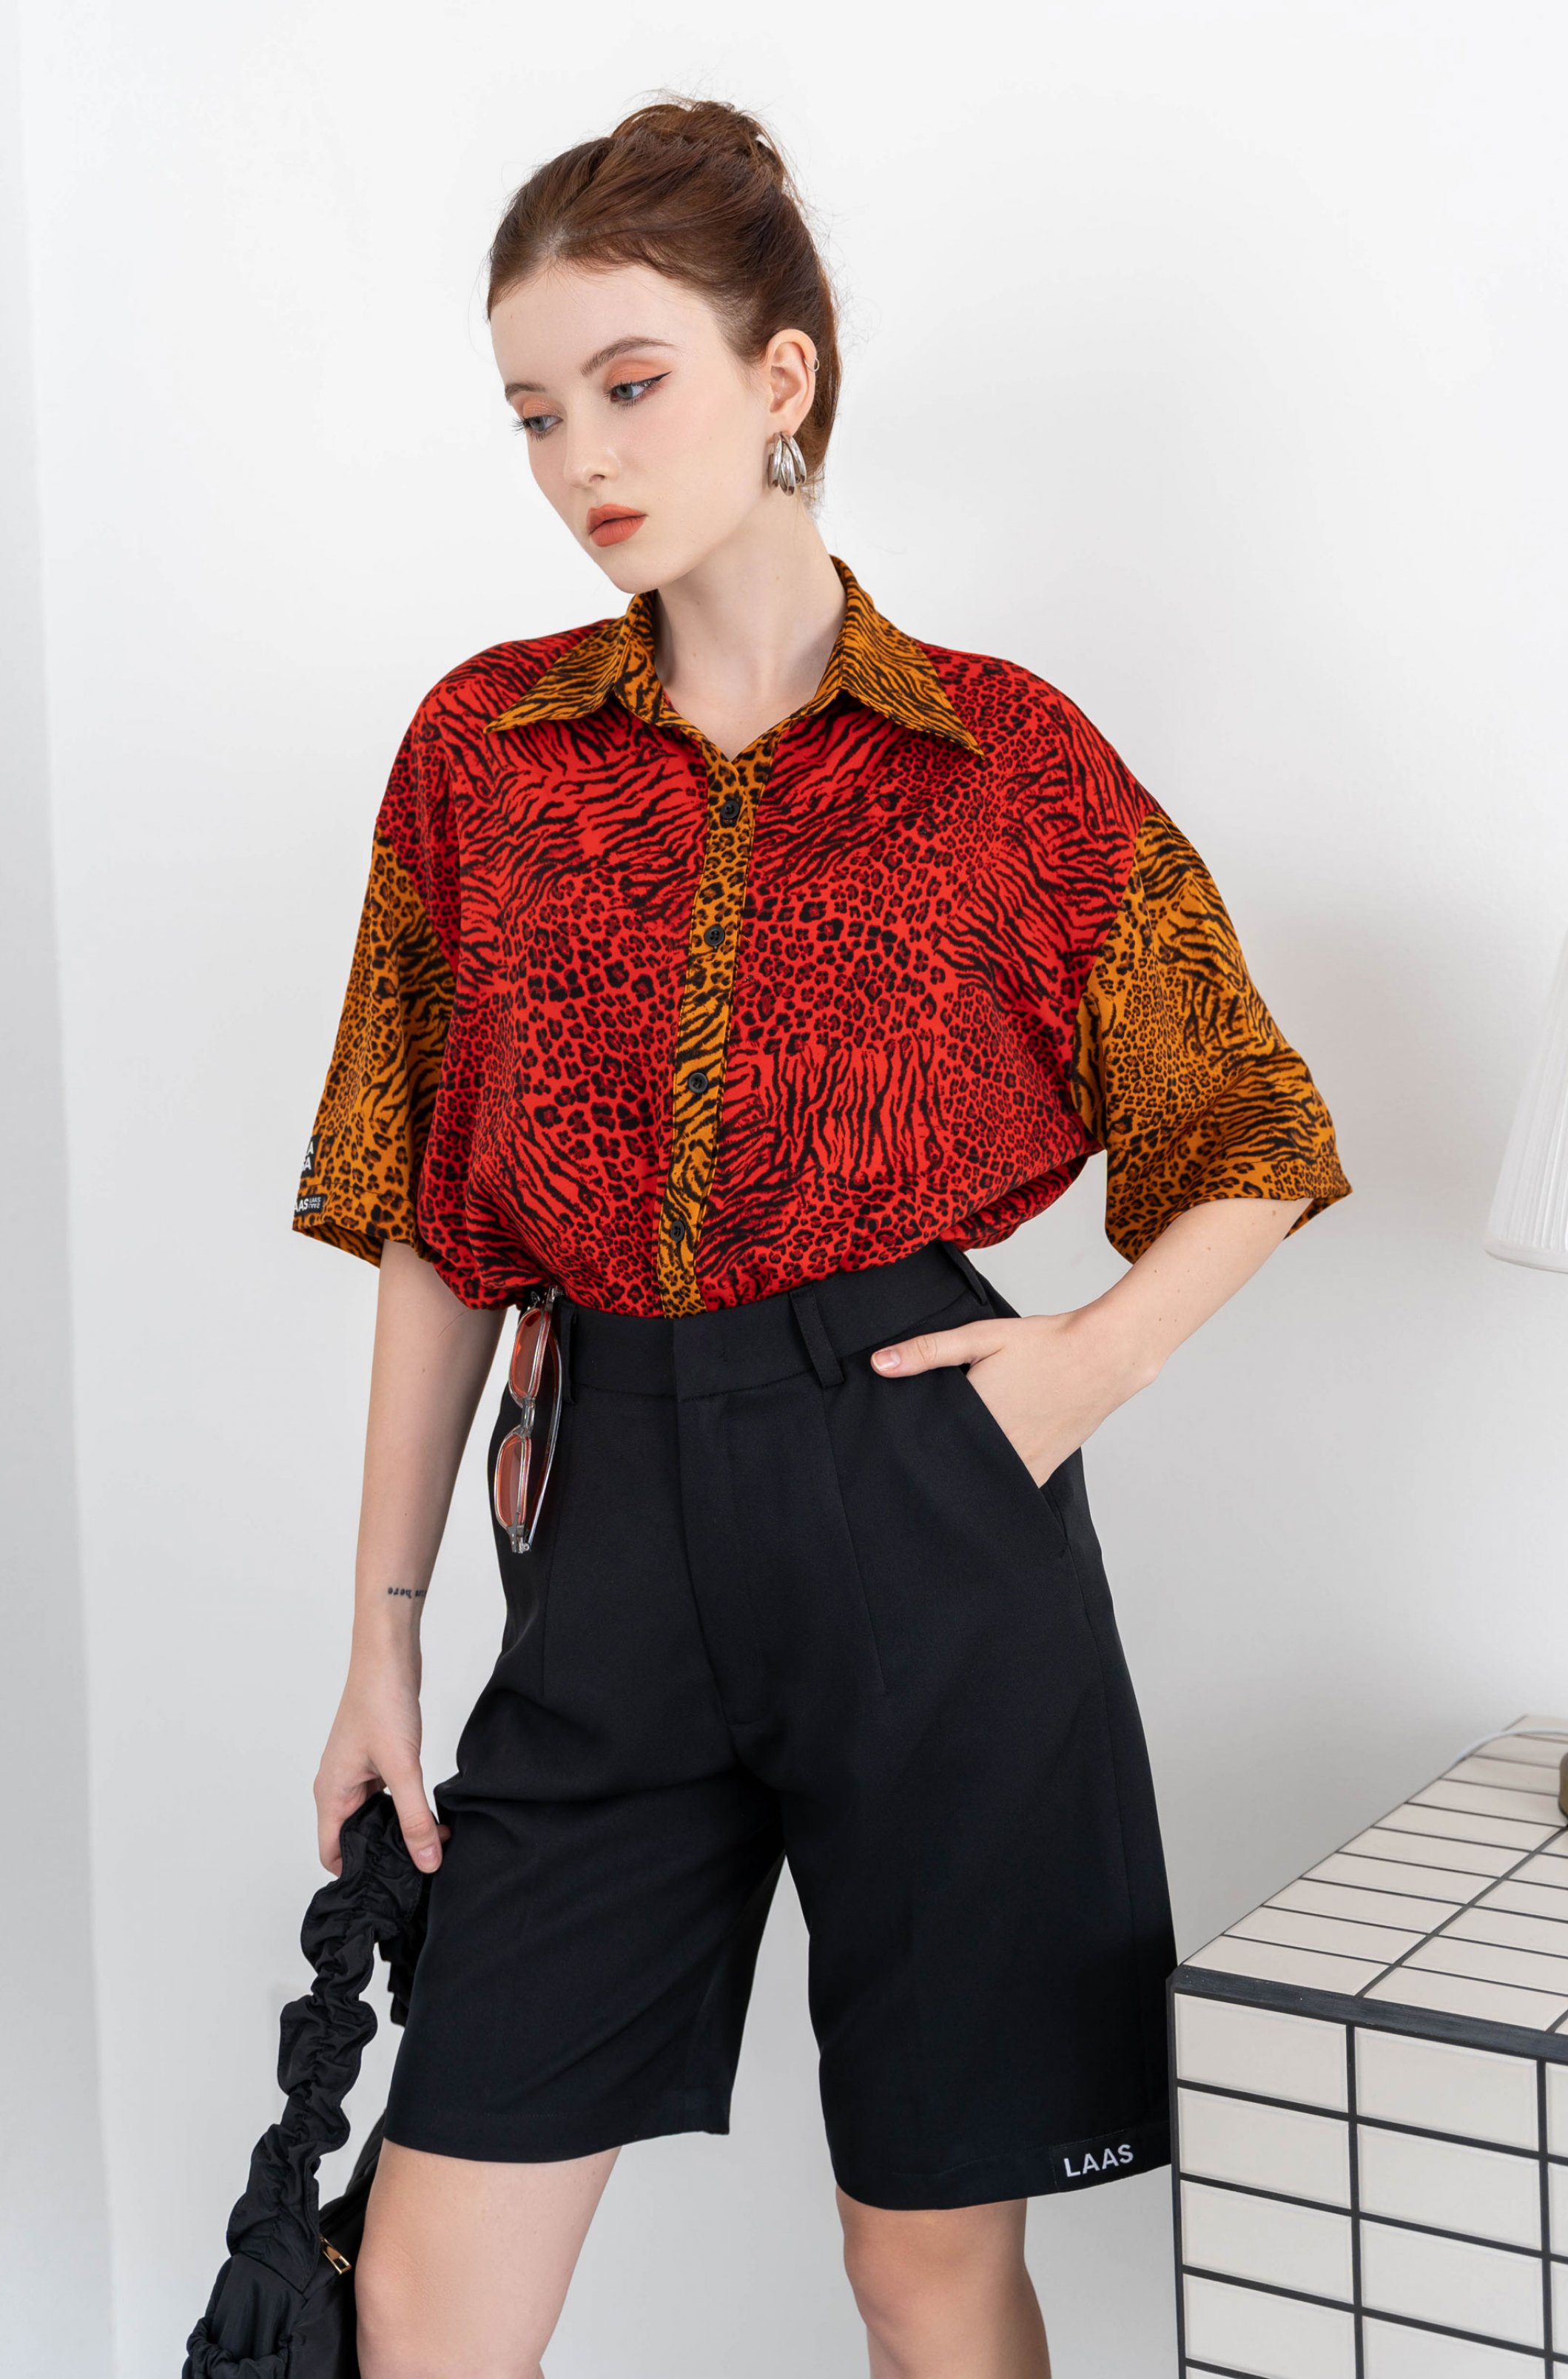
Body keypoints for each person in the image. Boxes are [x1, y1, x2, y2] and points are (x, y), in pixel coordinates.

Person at [293, 97, 1349, 2379]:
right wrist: (384, 1632)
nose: (582, 456)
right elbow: (433, 1211)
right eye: (535, 412)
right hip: (602, 1540)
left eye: (630, 383)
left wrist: (1083, 1367)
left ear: (781, 377)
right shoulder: (485, 755)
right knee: (427, 2281)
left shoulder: (1002, 759)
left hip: (924, 1509)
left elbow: (1254, 1123)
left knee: (926, 2267)